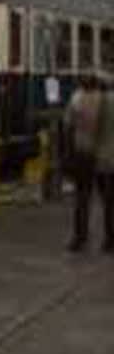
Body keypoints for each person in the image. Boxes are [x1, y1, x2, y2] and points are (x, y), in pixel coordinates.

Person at [64, 74, 106, 252]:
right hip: (103, 154)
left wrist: (67, 152)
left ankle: (79, 238)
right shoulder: (105, 101)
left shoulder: (76, 99)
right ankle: (110, 239)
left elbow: (67, 125)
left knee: (82, 197)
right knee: (108, 199)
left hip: (81, 152)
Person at [92, 78, 114, 253]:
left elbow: (96, 128)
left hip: (106, 159)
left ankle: (110, 239)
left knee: (108, 201)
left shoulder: (104, 102)